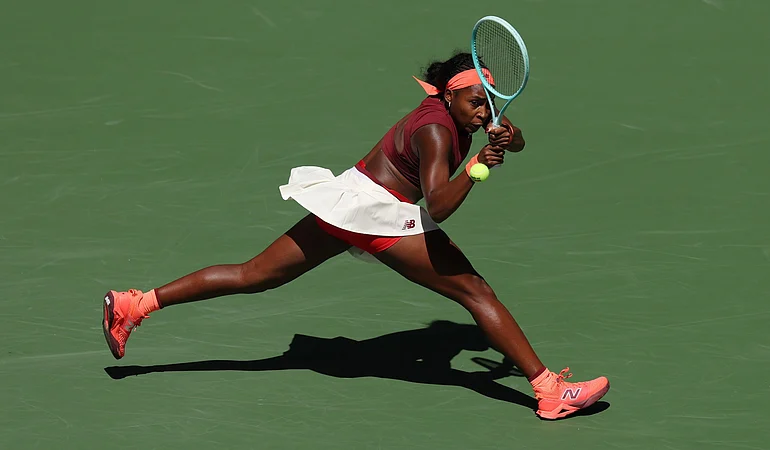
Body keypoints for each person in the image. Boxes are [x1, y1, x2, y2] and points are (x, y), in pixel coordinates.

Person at [102, 51, 609, 420]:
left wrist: (505, 135)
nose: (485, 112)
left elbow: (513, 140)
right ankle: (547, 391)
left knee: (253, 274)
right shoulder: (436, 131)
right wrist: (477, 166)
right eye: (478, 103)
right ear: (450, 95)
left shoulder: (465, 113)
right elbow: (439, 206)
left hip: (345, 202)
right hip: (379, 216)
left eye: (491, 104)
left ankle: (135, 304)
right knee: (476, 292)